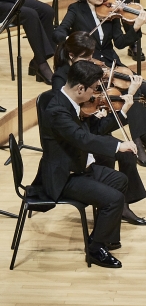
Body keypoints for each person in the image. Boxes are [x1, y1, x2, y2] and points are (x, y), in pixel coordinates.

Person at [33, 60, 136, 268]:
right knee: (114, 199)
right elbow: (83, 139)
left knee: (119, 180)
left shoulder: (73, 103)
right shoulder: (57, 110)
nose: (96, 93)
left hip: (80, 166)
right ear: (81, 88)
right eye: (95, 89)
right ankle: (95, 249)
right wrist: (117, 146)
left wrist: (122, 111)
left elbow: (93, 132)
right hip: (65, 175)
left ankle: (105, 237)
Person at [53, 0, 146, 168]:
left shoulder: (111, 10)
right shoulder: (76, 10)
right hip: (89, 65)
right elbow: (59, 32)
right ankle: (137, 144)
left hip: (110, 62)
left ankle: (142, 134)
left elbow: (119, 42)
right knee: (131, 94)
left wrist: (135, 27)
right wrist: (70, 42)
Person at [52, 31, 146, 225]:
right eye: (86, 57)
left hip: (90, 127)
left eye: (91, 56)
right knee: (109, 152)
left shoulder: (88, 73)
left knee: (127, 152)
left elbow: (94, 119)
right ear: (72, 56)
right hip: (74, 137)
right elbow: (64, 111)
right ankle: (108, 201)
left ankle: (122, 206)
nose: (91, 61)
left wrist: (105, 106)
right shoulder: (61, 77)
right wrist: (86, 111)